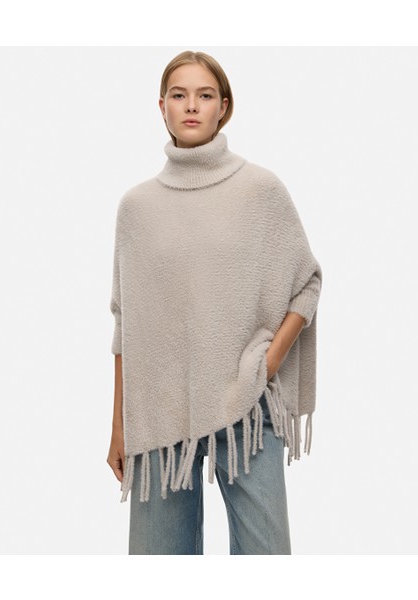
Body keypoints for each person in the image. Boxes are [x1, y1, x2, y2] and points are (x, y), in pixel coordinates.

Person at [106, 50, 323, 555]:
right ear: (161, 106)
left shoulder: (260, 190)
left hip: (246, 407)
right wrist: (119, 426)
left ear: (224, 106)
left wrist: (269, 362)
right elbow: (126, 325)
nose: (191, 106)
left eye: (204, 95)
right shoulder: (136, 208)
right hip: (160, 414)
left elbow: (306, 282)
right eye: (179, 95)